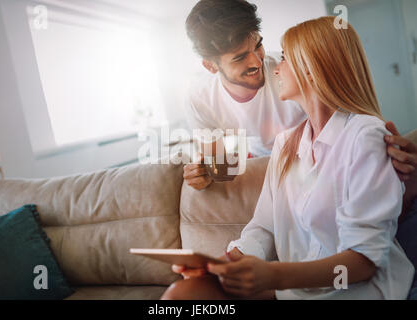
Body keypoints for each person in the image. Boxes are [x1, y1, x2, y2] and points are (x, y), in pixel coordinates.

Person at [162, 16, 415, 300]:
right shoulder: (284, 145)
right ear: (212, 65)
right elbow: (263, 226)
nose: (270, 66)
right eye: (241, 57)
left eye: (283, 57)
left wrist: (273, 276)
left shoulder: (364, 135)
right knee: (185, 293)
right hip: (296, 290)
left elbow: (364, 262)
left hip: (359, 290)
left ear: (312, 68)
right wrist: (224, 264)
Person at [182, 0, 417, 211]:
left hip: (317, 154)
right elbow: (222, 168)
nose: (257, 61)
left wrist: (381, 147)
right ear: (211, 67)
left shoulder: (289, 71)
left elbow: (350, 125)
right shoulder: (200, 99)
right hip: (268, 163)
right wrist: (205, 174)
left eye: (258, 45)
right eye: (240, 57)